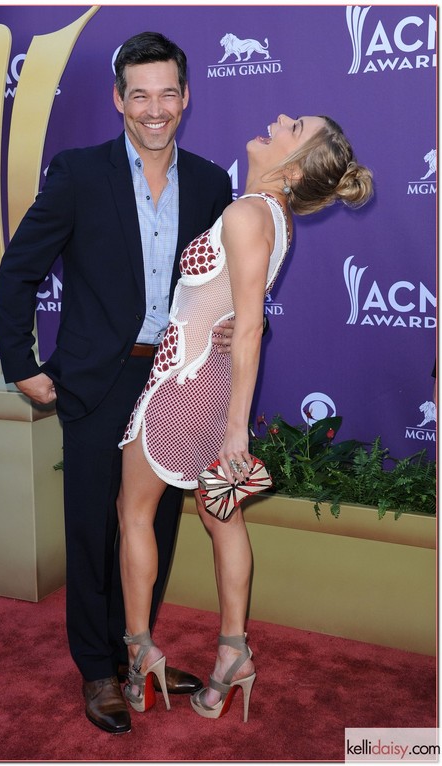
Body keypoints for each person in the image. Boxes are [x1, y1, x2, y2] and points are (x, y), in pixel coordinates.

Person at [0, 31, 234, 735]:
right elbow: (19, 272)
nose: (154, 109)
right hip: (100, 378)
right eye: (139, 94)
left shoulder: (213, 183)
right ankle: (97, 668)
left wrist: (223, 328)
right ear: (117, 99)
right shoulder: (77, 173)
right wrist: (23, 364)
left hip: (175, 379)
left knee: (154, 524)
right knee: (94, 526)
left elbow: (222, 285)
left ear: (186, 98)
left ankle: (139, 653)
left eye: (167, 93)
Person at [116, 114, 374, 721]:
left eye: (293, 126)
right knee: (219, 517)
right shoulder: (270, 215)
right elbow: (242, 313)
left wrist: (236, 431)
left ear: (293, 168)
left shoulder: (247, 214)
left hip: (184, 385)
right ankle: (232, 655)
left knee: (134, 513)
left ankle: (139, 659)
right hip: (210, 380)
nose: (278, 120)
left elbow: (250, 325)